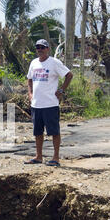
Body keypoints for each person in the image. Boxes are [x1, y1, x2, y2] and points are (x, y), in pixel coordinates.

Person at [24, 39, 73, 167]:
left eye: (42, 47)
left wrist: (61, 90)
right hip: (36, 104)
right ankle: (38, 156)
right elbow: (29, 80)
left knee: (54, 131)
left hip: (50, 104)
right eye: (37, 47)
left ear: (47, 49)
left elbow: (69, 75)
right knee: (38, 132)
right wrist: (30, 93)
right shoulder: (33, 63)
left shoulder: (54, 63)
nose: (40, 49)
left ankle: (55, 157)